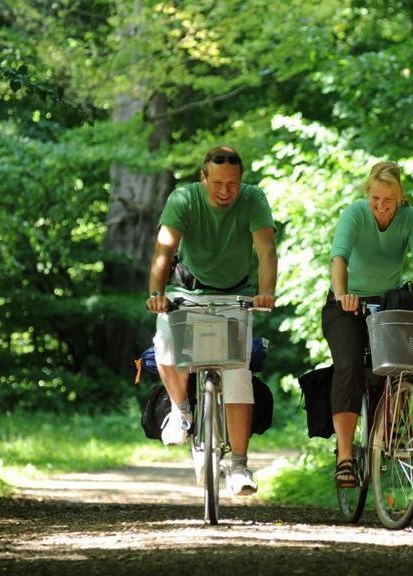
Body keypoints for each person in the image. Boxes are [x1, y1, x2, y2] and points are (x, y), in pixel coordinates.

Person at [145, 145, 277, 496]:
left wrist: (266, 292)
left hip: (236, 295)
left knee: (237, 372)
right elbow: (165, 248)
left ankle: (239, 465)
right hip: (187, 292)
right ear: (203, 178)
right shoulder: (184, 199)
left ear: (241, 181)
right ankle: (181, 409)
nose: (225, 191)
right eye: (217, 182)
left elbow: (266, 249)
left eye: (232, 184)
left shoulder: (253, 200)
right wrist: (156, 293)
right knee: (166, 343)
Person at [322, 160, 413, 488]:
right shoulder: (356, 214)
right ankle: (345, 455)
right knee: (348, 367)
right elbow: (339, 257)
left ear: (401, 198)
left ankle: (389, 432)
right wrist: (342, 294)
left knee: (394, 367)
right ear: (368, 194)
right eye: (375, 198)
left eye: (388, 200)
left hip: (386, 305)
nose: (380, 206)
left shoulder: (410, 219)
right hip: (346, 305)